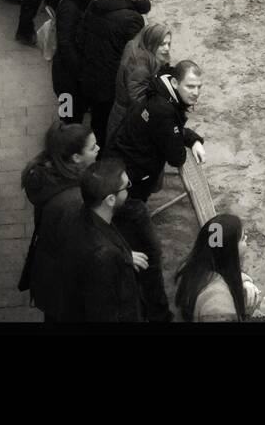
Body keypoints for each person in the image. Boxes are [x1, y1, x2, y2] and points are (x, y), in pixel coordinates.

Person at [22, 123, 171, 323]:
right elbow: (84, 248)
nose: (99, 148)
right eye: (92, 147)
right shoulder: (74, 202)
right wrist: (123, 256)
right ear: (76, 157)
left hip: (51, 279)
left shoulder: (53, 178)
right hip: (62, 289)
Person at [56, 159, 145, 323]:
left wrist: (124, 256)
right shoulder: (103, 255)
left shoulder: (81, 213)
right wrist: (118, 259)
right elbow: (105, 312)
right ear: (110, 199)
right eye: (126, 187)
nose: (128, 190)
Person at [108, 59, 206, 201]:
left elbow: (167, 131)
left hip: (121, 161)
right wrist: (188, 139)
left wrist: (193, 140)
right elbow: (177, 157)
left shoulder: (160, 91)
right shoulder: (163, 111)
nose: (196, 93)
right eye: (190, 87)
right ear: (174, 83)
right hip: (131, 177)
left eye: (199, 87)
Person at [80, 0, 152, 147]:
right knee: (112, 130)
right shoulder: (131, 19)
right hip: (112, 83)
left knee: (99, 122)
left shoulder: (98, 2)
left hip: (91, 76)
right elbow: (137, 56)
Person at [174, 214, 265, 322]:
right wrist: (262, 315)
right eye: (243, 238)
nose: (247, 238)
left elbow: (223, 268)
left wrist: (244, 281)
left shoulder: (194, 268)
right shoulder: (217, 304)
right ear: (231, 250)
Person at [53, 0, 103, 123]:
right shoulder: (70, 5)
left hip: (80, 73)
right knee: (68, 118)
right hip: (67, 77)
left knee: (78, 111)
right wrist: (81, 72)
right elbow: (65, 44)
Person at [107, 22, 172, 145]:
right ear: (151, 43)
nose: (167, 48)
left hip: (123, 116)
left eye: (169, 43)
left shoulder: (139, 49)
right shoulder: (139, 66)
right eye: (162, 44)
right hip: (125, 121)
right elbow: (139, 100)